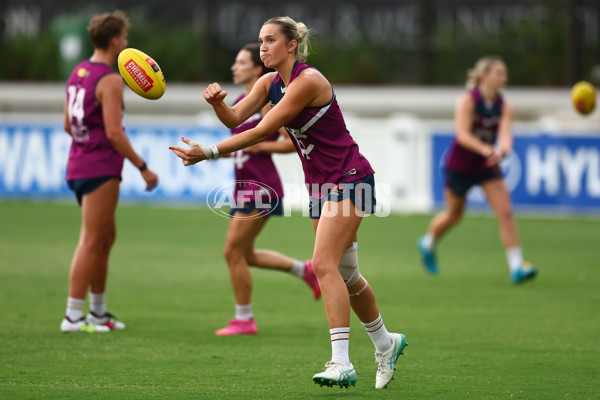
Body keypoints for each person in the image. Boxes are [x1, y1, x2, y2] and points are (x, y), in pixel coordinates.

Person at [170, 16, 406, 390]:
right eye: (259, 41)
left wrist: (210, 152)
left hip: (352, 179)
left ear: (291, 45)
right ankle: (385, 342)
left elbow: (264, 129)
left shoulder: (308, 80)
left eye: (269, 41)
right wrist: (218, 104)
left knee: (324, 264)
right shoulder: (268, 82)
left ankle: (341, 362)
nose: (262, 47)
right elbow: (236, 118)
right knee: (347, 275)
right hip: (319, 186)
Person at [60, 10, 158, 333]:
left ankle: (98, 313)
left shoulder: (79, 72)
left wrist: (87, 144)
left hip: (78, 163)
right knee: (91, 239)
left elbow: (67, 125)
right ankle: (74, 316)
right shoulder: (110, 78)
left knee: (104, 237)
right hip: (101, 167)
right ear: (115, 40)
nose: (126, 43)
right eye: (125, 38)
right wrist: (143, 167)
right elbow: (115, 133)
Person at [214, 42, 320, 336]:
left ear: (256, 69)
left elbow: (289, 142)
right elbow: (237, 137)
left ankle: (244, 319)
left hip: (261, 188)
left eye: (240, 62)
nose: (235, 67)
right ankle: (306, 270)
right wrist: (217, 152)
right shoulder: (240, 101)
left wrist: (260, 144)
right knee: (244, 254)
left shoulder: (268, 103)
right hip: (243, 187)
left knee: (231, 251)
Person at [417, 55, 537, 284]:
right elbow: (462, 135)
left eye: (505, 73)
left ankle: (516, 267)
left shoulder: (505, 106)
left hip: (486, 166)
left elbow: (505, 135)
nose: (505, 78)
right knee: (454, 216)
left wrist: (503, 151)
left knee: (505, 212)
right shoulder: (468, 101)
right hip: (460, 166)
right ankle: (428, 242)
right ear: (484, 75)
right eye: (499, 72)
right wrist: (486, 150)